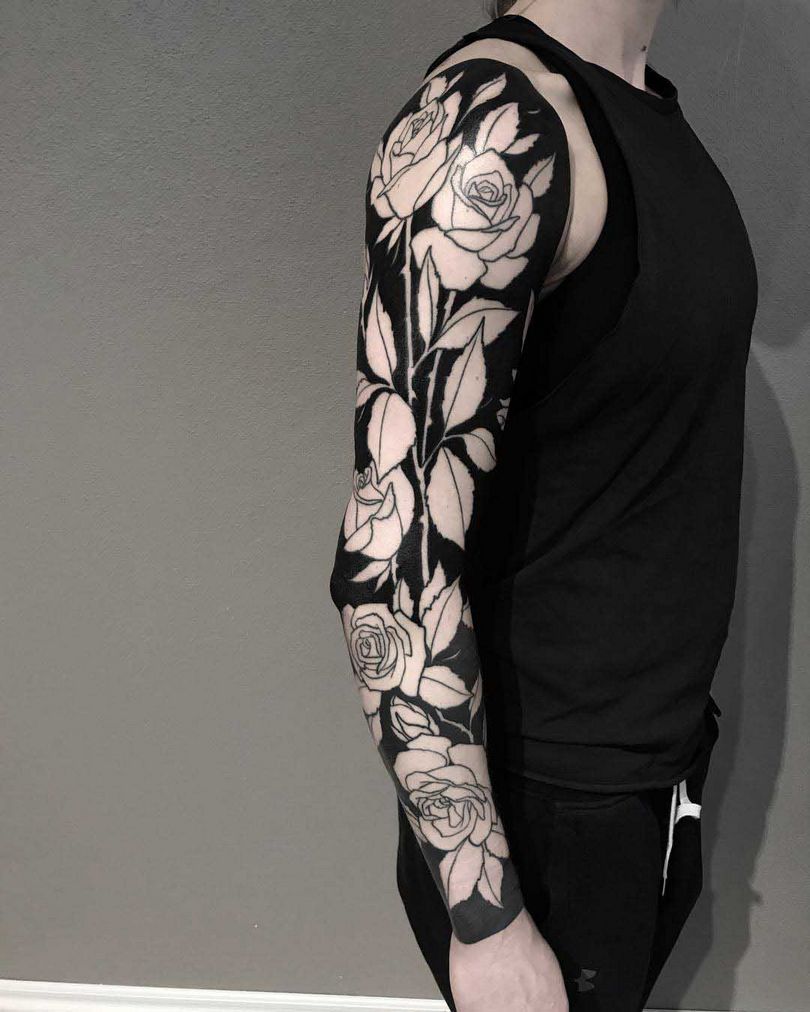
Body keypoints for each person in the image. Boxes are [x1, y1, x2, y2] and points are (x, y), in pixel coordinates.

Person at [328, 0, 759, 1009]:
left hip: (646, 774)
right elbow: (391, 562)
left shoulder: (641, 110)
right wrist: (488, 922)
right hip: (545, 815)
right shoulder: (493, 124)